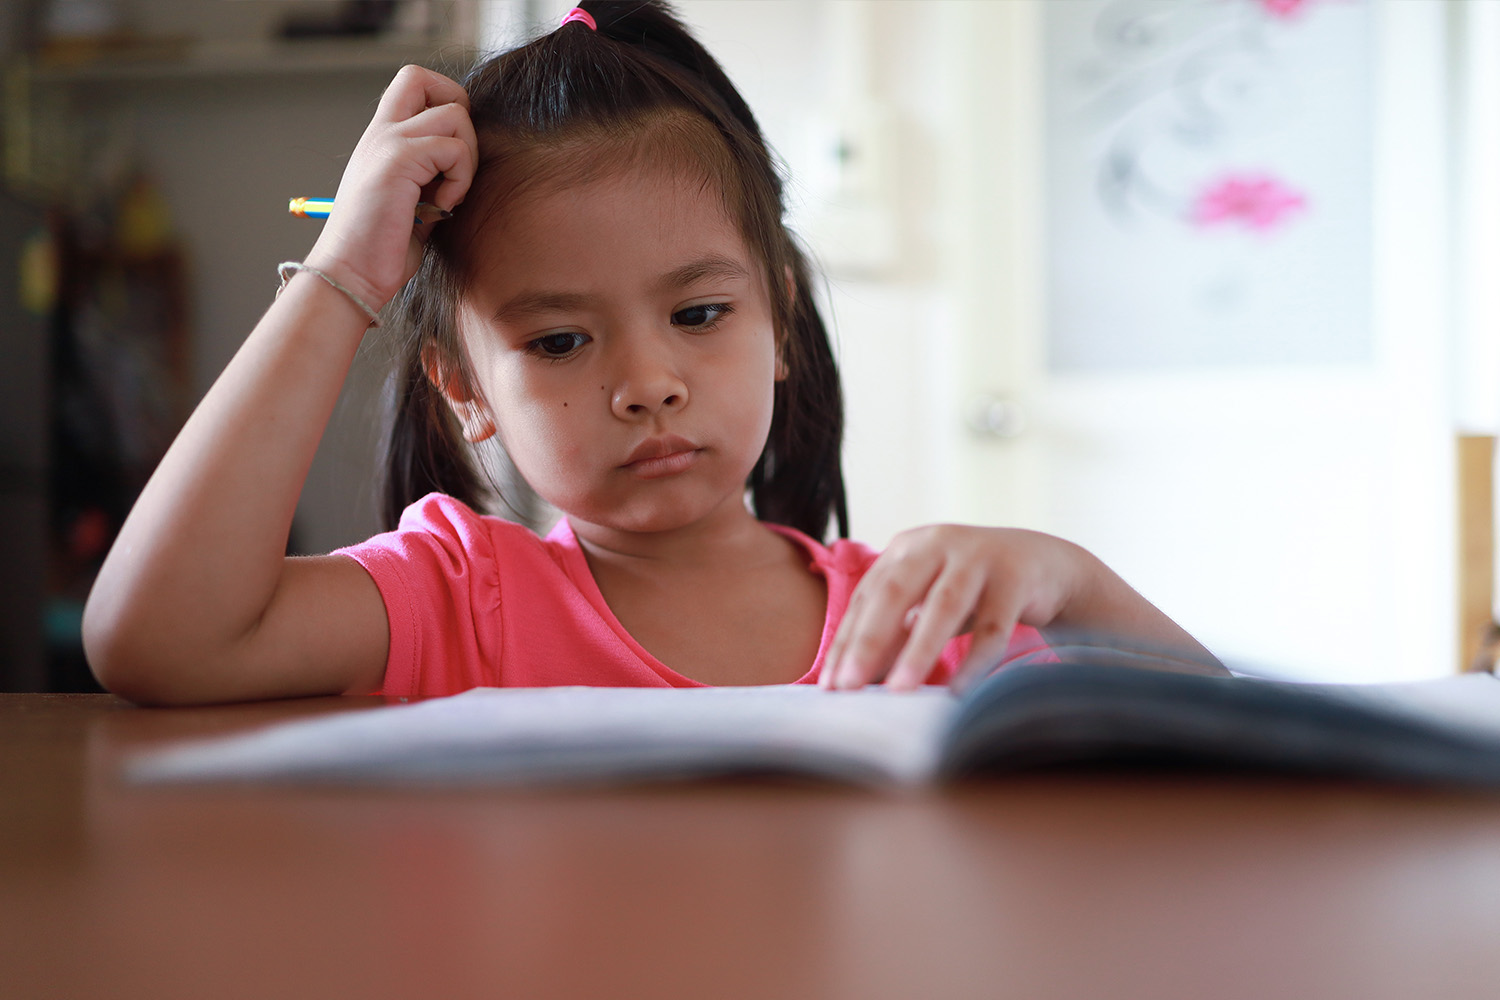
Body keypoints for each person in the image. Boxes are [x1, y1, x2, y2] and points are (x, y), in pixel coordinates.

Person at [82, 1, 1222, 706]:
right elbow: (156, 640)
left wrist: (1070, 577)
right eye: (562, 340)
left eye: (700, 315)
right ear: (467, 390)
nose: (648, 383)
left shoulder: (906, 623)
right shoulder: (463, 600)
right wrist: (344, 280)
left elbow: (1231, 739)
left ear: (777, 318)